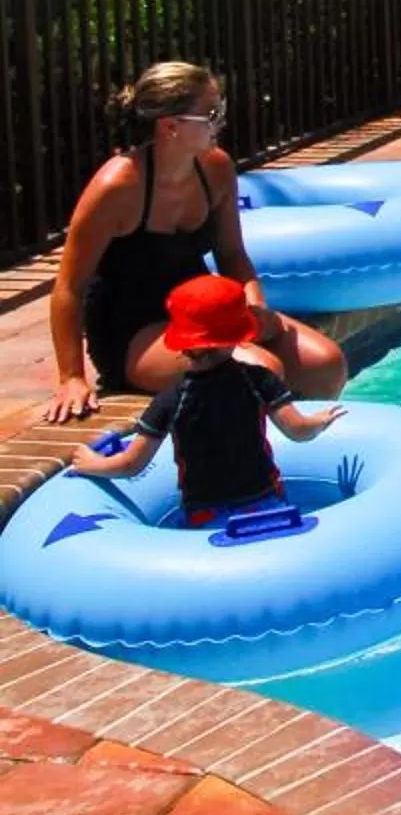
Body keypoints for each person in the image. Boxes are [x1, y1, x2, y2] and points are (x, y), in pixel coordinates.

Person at [44, 60, 349, 423]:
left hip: (203, 312)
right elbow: (69, 286)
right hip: (135, 330)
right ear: (171, 126)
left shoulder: (215, 168)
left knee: (326, 365)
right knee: (259, 371)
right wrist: (72, 377)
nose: (222, 122)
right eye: (212, 113)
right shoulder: (118, 187)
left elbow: (232, 254)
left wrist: (254, 307)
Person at [66, 272, 346, 527]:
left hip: (205, 516)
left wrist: (91, 463)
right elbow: (298, 431)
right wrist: (319, 422)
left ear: (182, 343)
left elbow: (131, 465)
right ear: (238, 337)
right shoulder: (259, 380)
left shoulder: (170, 400)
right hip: (267, 503)